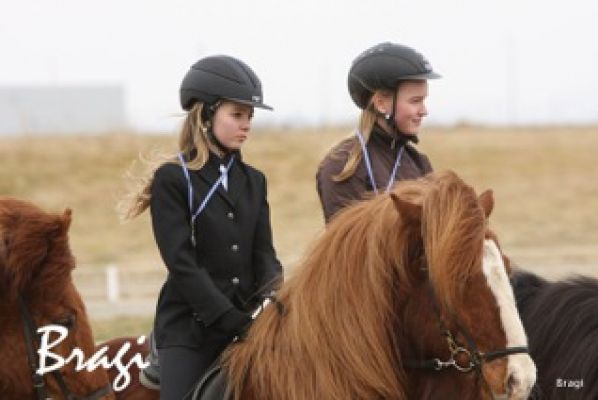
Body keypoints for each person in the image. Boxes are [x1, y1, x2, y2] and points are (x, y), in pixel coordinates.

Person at [121, 55, 283, 399]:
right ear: (207, 114)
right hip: (190, 329)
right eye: (237, 115)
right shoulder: (173, 179)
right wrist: (226, 317)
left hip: (248, 323)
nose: (246, 125)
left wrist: (275, 300)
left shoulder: (255, 181)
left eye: (250, 117)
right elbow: (180, 262)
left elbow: (264, 254)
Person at [316, 42, 441, 223]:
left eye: (423, 100)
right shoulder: (343, 165)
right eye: (415, 101)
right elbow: (349, 239)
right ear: (381, 104)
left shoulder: (419, 163)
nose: (424, 111)